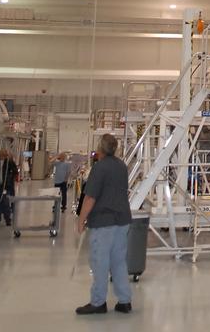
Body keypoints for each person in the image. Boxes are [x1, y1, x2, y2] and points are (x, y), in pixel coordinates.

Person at [75, 133, 133, 315]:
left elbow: (90, 197)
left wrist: (81, 218)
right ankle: (124, 301)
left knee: (100, 262)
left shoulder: (100, 168)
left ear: (100, 148)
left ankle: (98, 302)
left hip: (103, 221)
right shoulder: (122, 166)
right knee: (118, 261)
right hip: (122, 220)